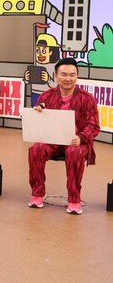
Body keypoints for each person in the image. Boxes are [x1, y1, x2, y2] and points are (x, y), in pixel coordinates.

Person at [27, 58, 100, 215]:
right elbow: (39, 120)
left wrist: (81, 137)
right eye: (64, 74)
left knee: (73, 152)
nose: (68, 79)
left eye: (72, 75)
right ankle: (37, 193)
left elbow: (94, 126)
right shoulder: (46, 96)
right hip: (52, 141)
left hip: (77, 142)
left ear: (77, 76)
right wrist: (37, 113)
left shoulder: (87, 98)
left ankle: (74, 199)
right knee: (35, 149)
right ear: (56, 76)